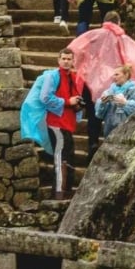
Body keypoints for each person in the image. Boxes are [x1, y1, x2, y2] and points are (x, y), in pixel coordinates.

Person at [21, 48, 88, 199]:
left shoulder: (73, 77)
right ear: (58, 60)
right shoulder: (53, 76)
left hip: (68, 124)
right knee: (60, 159)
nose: (66, 61)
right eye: (63, 58)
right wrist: (67, 101)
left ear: (72, 61)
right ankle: (57, 196)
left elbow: (73, 99)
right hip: (56, 123)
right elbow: (45, 97)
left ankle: (66, 193)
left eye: (69, 59)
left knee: (69, 160)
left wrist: (77, 104)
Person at [68, 9, 135, 99]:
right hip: (118, 79)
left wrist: (79, 64)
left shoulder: (93, 34)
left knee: (91, 107)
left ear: (104, 21)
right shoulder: (126, 39)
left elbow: (74, 48)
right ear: (118, 22)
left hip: (92, 77)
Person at [95, 64, 135, 137]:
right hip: (109, 130)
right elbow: (99, 114)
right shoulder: (109, 91)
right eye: (113, 75)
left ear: (126, 75)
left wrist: (126, 103)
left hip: (129, 131)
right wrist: (102, 103)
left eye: (117, 74)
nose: (114, 77)